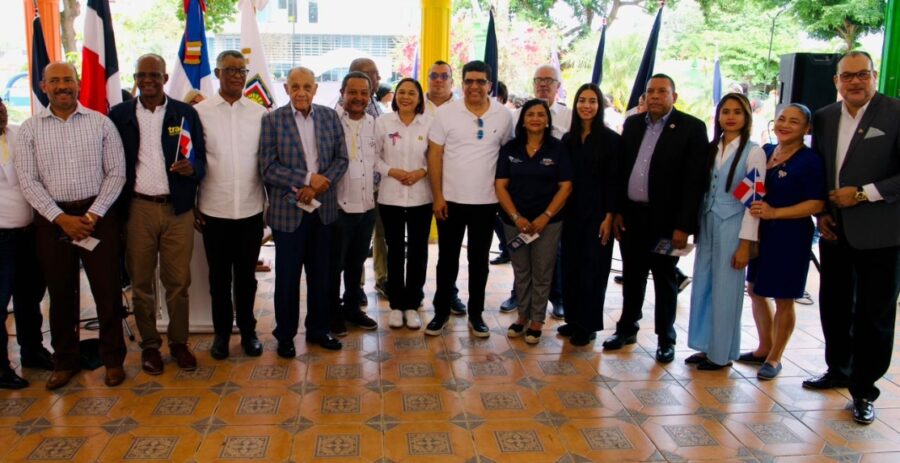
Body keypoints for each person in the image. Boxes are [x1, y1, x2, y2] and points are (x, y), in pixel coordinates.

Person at [15, 62, 127, 389]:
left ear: (77, 84)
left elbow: (116, 172)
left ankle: (113, 360)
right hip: (53, 221)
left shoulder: (101, 124)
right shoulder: (29, 129)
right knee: (60, 294)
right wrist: (60, 218)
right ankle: (65, 361)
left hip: (98, 218)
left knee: (107, 292)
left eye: (68, 79)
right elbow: (28, 180)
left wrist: (92, 216)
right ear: (43, 86)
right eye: (55, 81)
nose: (62, 85)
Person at [807, 51, 900, 425]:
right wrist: (822, 212)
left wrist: (862, 192)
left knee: (874, 314)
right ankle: (838, 369)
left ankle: (864, 390)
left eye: (863, 75)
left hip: (882, 232)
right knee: (834, 304)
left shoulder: (895, 113)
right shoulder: (826, 117)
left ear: (874, 76)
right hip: (835, 231)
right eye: (848, 76)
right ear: (837, 82)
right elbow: (821, 169)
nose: (855, 82)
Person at [109, 54, 206, 375]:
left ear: (165, 78)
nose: (147, 80)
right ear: (135, 79)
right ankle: (150, 346)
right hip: (137, 210)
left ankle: (179, 343)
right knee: (141, 283)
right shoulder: (119, 115)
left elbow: (202, 161)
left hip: (177, 210)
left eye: (154, 75)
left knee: (178, 282)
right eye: (141, 75)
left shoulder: (185, 113)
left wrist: (192, 169)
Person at [605, 74, 708, 363]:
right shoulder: (634, 124)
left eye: (662, 91)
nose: (655, 96)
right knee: (633, 276)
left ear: (673, 96)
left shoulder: (692, 128)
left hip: (667, 222)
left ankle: (666, 339)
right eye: (650, 91)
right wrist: (618, 212)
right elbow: (622, 169)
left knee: (665, 280)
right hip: (632, 217)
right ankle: (627, 329)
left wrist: (683, 226)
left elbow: (694, 182)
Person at [260, 66, 348, 355]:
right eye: (295, 86)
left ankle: (318, 329)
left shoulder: (329, 116)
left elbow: (341, 159)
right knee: (287, 278)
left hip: (324, 211)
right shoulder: (272, 120)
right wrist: (307, 180)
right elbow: (268, 168)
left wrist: (319, 186)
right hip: (288, 213)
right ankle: (285, 335)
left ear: (315, 89)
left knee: (322, 275)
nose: (301, 92)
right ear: (286, 89)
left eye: (306, 86)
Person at [425, 60, 513, 338]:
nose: (474, 86)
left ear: (489, 84)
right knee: (447, 260)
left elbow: (506, 157)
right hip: (450, 201)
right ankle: (440, 313)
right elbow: (434, 155)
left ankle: (476, 314)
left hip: (486, 203)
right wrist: (438, 196)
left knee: (479, 261)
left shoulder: (503, 115)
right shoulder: (446, 113)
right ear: (462, 83)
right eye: (469, 81)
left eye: (480, 81)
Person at [193, 50, 266, 360]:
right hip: (214, 209)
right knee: (218, 279)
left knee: (246, 278)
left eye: (241, 70)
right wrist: (194, 202)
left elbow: (265, 161)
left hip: (250, 209)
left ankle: (248, 332)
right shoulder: (201, 112)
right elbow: (193, 160)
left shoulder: (260, 113)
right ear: (218, 73)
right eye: (230, 70)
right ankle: (221, 334)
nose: (237, 75)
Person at [744, 103, 825, 379]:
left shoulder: (810, 161)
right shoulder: (765, 152)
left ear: (807, 128)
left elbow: (816, 203)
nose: (785, 125)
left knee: (784, 297)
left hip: (790, 235)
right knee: (755, 290)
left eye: (794, 121)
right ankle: (763, 348)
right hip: (760, 232)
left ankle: (776, 356)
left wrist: (776, 212)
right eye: (781, 119)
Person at [686, 93, 765, 370]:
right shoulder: (712, 148)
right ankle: (705, 345)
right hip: (708, 222)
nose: (730, 116)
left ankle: (721, 354)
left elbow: (753, 203)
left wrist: (745, 244)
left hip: (733, 224)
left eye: (737, 112)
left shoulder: (754, 152)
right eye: (725, 111)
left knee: (726, 289)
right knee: (705, 285)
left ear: (746, 117)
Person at [496, 99, 572, 344]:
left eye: (541, 114)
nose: (536, 119)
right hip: (514, 222)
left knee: (542, 271)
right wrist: (516, 217)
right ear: (523, 119)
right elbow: (500, 185)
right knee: (521, 271)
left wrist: (545, 216)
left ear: (548, 120)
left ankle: (537, 320)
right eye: (531, 114)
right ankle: (521, 317)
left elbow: (566, 186)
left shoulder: (558, 148)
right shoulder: (510, 148)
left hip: (547, 223)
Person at [557, 84, 621, 346]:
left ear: (599, 106)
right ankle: (572, 320)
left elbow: (615, 183)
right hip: (570, 214)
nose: (586, 105)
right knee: (570, 266)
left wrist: (609, 216)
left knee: (593, 270)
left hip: (598, 215)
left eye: (592, 101)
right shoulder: (568, 139)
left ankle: (589, 324)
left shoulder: (612, 140)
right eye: (582, 100)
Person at [0, 97, 54, 389]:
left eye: (1, 106)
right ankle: (1, 368)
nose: (1, 112)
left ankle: (32, 351)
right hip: (1, 238)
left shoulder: (20, 134)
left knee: (29, 297)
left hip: (29, 233)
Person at [376, 78, 433, 329]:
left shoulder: (430, 123)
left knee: (419, 250)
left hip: (422, 195)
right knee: (395, 249)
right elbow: (374, 157)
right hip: (391, 195)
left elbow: (436, 157)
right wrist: (391, 171)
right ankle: (396, 304)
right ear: (395, 96)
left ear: (420, 98)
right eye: (402, 92)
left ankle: (413, 303)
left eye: (412, 93)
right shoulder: (382, 123)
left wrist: (422, 171)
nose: (406, 97)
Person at [330, 71, 379, 336]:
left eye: (364, 93)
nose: (358, 98)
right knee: (334, 265)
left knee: (356, 262)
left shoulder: (375, 123)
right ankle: (332, 312)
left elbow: (380, 158)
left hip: (367, 207)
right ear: (342, 93)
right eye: (353, 92)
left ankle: (352, 308)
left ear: (370, 96)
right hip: (338, 209)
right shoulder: (329, 121)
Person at [423, 60, 466, 314]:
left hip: (449, 187)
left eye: (444, 76)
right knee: (416, 245)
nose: (438, 80)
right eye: (434, 75)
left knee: (449, 248)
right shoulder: (416, 104)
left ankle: (449, 294)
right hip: (414, 184)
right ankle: (411, 293)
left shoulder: (461, 109)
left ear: (452, 80)